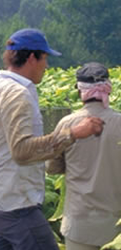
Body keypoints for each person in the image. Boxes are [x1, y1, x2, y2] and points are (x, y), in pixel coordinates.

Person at [0, 28, 104, 250]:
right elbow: (22, 151)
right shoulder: (18, 94)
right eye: (45, 58)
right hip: (17, 204)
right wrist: (73, 134)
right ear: (33, 57)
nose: (47, 66)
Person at [46, 62, 121, 250]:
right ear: (108, 90)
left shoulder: (67, 124)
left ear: (80, 92)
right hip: (115, 226)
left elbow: (51, 167)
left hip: (80, 224)